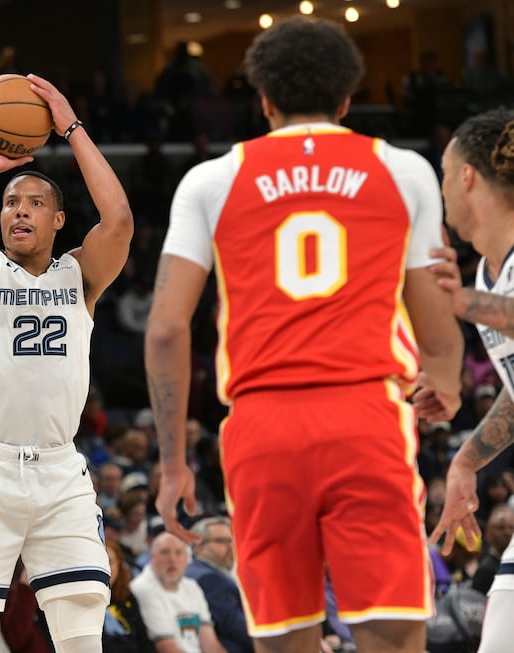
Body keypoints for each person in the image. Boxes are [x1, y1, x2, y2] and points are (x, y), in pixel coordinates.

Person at [144, 16, 464, 653]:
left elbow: (164, 329)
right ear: (348, 100)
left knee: (285, 640)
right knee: (393, 637)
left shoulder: (211, 180)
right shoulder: (402, 170)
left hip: (262, 426)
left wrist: (174, 460)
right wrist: (448, 387)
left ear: (262, 100)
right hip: (366, 413)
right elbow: (436, 326)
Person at [0, 73, 134, 653]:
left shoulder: (80, 276)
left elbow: (118, 222)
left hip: (61, 469)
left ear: (58, 221)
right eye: (12, 203)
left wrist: (71, 127)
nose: (20, 211)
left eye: (36, 204)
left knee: (82, 637)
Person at [429, 107, 514, 653]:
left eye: (443, 174)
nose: (441, 190)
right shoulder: (488, 269)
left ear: (466, 176)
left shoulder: (482, 288)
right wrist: (466, 462)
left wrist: (464, 303)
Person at [130, 532, 225, 653]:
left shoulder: (192, 587)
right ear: (152, 557)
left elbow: (210, 643)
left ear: (187, 559)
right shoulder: (143, 588)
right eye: (165, 552)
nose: (172, 560)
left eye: (178, 553)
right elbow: (166, 647)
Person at [185, 518, 251, 653]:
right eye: (222, 541)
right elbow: (238, 628)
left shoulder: (193, 571)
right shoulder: (209, 579)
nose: (231, 547)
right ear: (199, 547)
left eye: (232, 540)